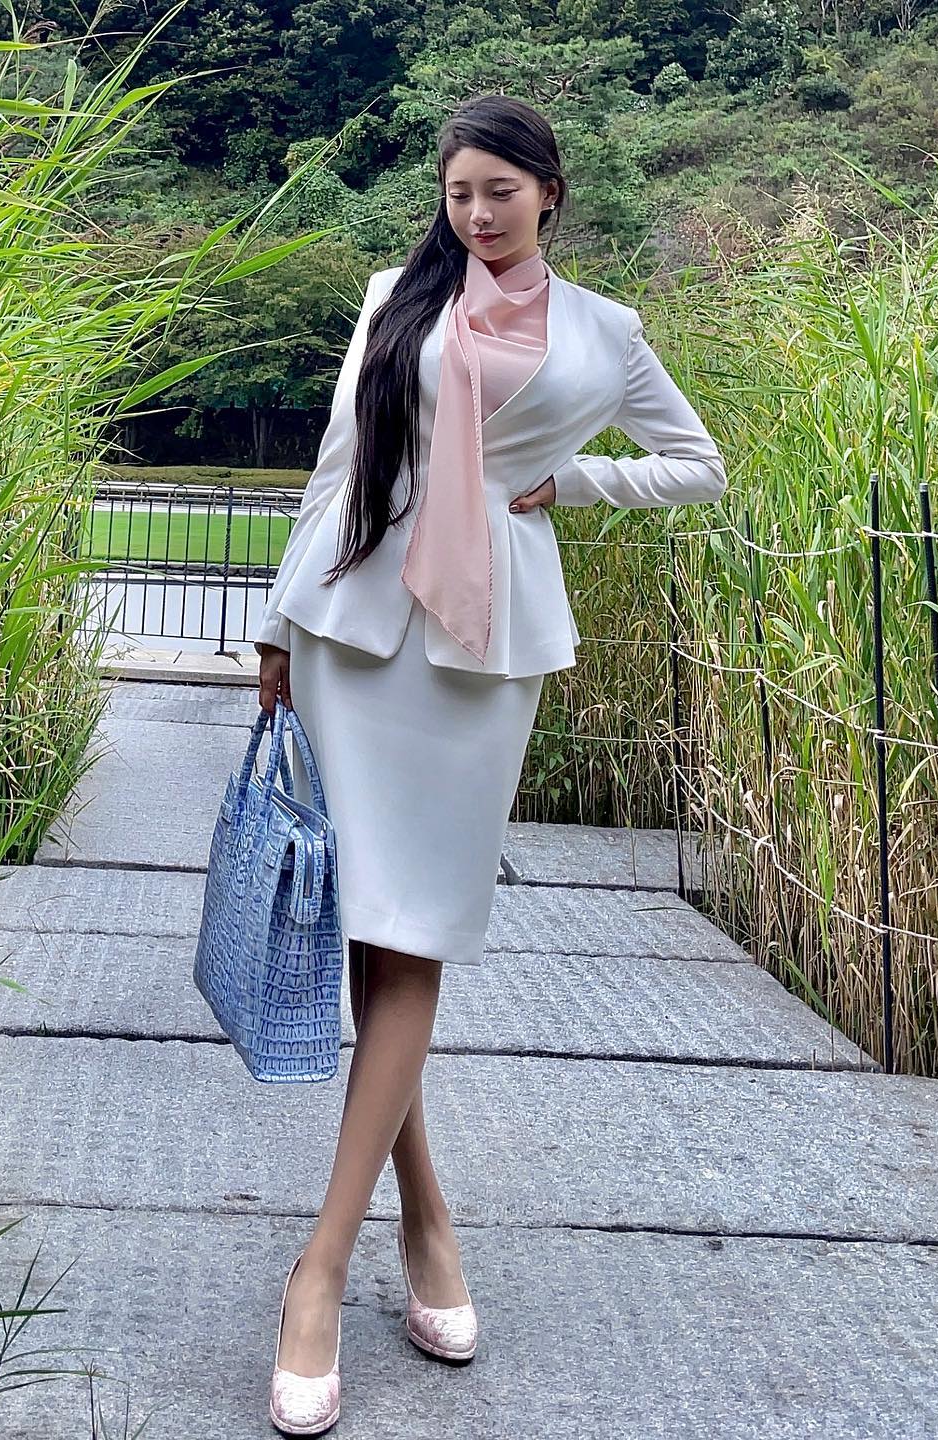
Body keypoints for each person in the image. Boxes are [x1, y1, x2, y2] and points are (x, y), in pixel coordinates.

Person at [252, 93, 728, 1435]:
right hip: (351, 621)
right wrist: (275, 625)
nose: (477, 215)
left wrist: (576, 485)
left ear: (548, 194)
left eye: (500, 194)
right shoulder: (393, 298)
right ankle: (421, 1222)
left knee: (417, 935)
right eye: (459, 192)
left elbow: (698, 465)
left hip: (480, 651)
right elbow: (340, 460)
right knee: (370, 930)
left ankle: (320, 1266)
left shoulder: (605, 335)